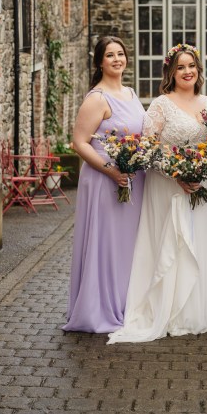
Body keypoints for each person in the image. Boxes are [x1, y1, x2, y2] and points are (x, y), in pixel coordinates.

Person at [107, 44, 207, 344]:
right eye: (180, 67)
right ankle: (168, 311)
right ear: (171, 71)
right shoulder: (161, 104)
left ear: (199, 69)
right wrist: (177, 174)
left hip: (201, 186)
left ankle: (196, 311)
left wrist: (199, 170)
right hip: (167, 185)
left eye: (191, 66)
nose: (187, 72)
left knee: (198, 244)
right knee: (172, 247)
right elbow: (148, 147)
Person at [63, 36, 145, 333]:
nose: (116, 59)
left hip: (132, 178)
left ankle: (124, 301)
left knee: (127, 245)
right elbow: (79, 143)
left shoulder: (131, 93)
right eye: (109, 55)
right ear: (99, 62)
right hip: (103, 179)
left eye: (120, 54)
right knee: (105, 243)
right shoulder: (96, 98)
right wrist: (111, 170)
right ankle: (98, 307)